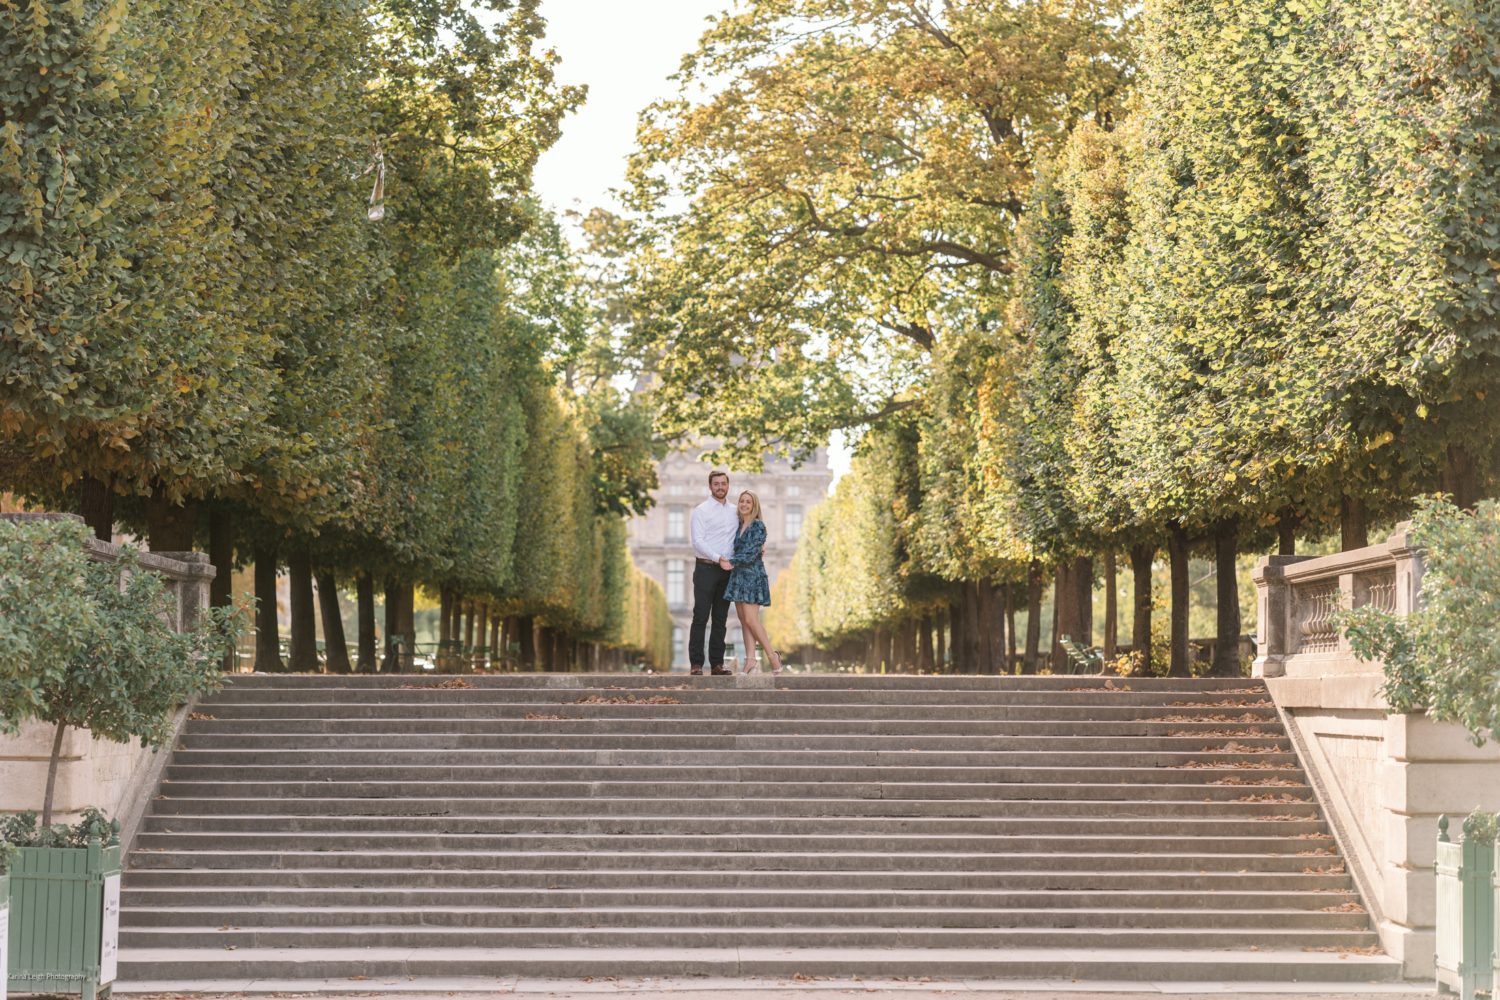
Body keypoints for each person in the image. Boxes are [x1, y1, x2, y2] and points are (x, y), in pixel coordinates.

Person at [720, 489, 784, 676]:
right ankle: (750, 661)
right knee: (743, 621)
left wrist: (730, 562)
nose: (744, 504)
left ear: (754, 505)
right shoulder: (739, 525)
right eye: (742, 501)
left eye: (748, 502)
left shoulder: (757, 525)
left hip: (752, 577)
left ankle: (773, 656)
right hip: (739, 576)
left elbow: (750, 553)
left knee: (751, 620)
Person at [688, 470, 739, 675]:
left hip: (727, 571)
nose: (720, 487)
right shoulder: (702, 510)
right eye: (716, 484)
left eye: (723, 483)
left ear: (728, 486)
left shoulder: (736, 511)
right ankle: (696, 664)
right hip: (706, 567)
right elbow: (697, 541)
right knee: (700, 617)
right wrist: (718, 557)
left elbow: (742, 534)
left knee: (720, 618)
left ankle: (717, 664)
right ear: (710, 487)